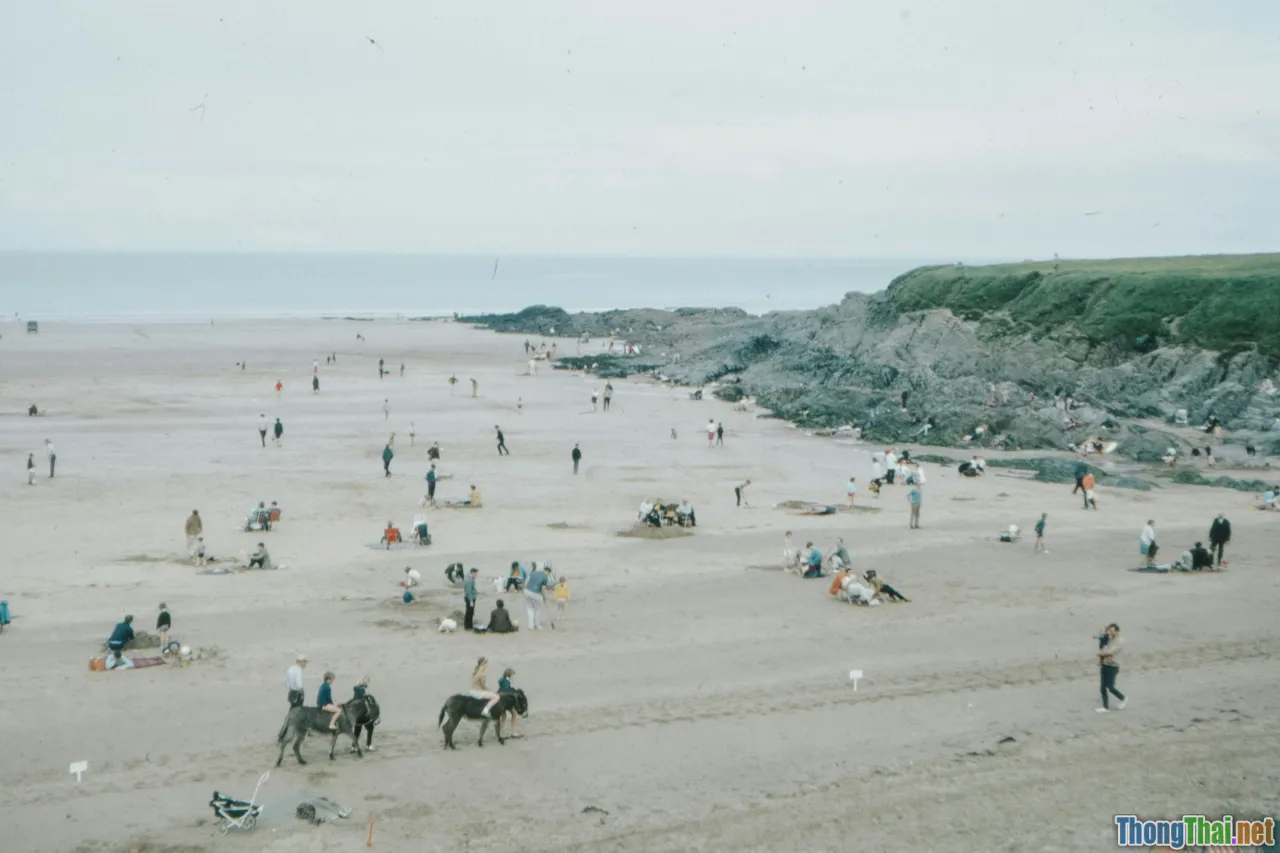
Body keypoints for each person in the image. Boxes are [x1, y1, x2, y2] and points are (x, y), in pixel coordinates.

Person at [1096, 624, 1126, 712]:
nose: (1111, 633)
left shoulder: (1120, 641)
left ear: (1117, 631)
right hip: (1105, 664)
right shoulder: (1109, 639)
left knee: (1110, 687)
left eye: (1112, 631)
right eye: (1109, 631)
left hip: (1113, 666)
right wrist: (1102, 639)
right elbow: (1102, 649)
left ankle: (1123, 698)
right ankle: (1105, 707)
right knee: (1102, 687)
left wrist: (1103, 650)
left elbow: (1108, 652)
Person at [351, 676, 376, 751]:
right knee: (370, 727)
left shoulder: (355, 690)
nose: (367, 684)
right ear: (364, 683)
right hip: (362, 714)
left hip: (355, 714)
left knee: (357, 730)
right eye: (367, 682)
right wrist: (369, 711)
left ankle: (353, 747)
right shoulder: (362, 691)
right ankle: (368, 745)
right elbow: (365, 702)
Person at [524, 562, 551, 629]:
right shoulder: (545, 577)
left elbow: (526, 581)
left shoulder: (533, 572)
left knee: (530, 609)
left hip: (526, 591)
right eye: (549, 573)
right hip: (535, 593)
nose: (548, 575)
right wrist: (544, 598)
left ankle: (531, 626)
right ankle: (537, 625)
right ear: (547, 571)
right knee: (537, 610)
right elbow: (543, 589)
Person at [498, 668, 521, 737]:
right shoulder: (507, 682)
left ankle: (500, 732)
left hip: (499, 699)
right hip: (504, 701)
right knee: (514, 713)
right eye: (512, 675)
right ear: (510, 675)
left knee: (503, 716)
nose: (513, 677)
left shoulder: (502, 680)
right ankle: (513, 732)